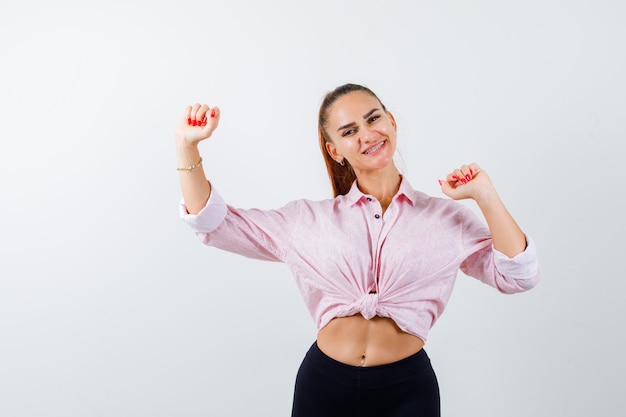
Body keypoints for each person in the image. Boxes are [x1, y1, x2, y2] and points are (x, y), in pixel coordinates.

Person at [175, 83, 540, 417]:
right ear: (334, 150)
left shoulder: (445, 220)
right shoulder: (308, 221)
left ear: (391, 122)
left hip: (407, 392)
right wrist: (186, 145)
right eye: (349, 131)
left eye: (373, 119)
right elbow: (215, 224)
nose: (367, 135)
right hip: (324, 387)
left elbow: (517, 275)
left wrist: (485, 196)